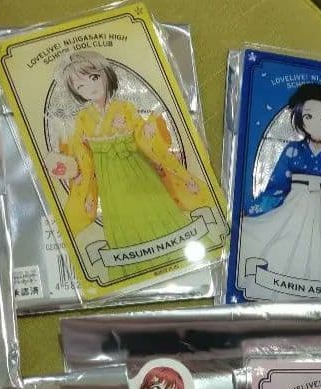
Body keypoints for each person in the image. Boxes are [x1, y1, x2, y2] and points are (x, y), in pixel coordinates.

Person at [48, 50, 214, 277]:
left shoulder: (124, 107)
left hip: (137, 168)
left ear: (106, 75)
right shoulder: (83, 118)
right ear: (77, 92)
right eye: (81, 86)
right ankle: (132, 264)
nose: (90, 87)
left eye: (94, 78)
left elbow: (143, 135)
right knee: (121, 216)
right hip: (108, 177)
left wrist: (149, 129)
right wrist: (75, 167)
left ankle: (176, 253)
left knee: (152, 206)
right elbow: (82, 155)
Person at [238, 83, 321, 292]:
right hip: (295, 207)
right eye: (309, 116)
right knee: (285, 246)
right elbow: (277, 188)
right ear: (300, 118)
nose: (317, 123)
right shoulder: (293, 150)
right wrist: (253, 209)